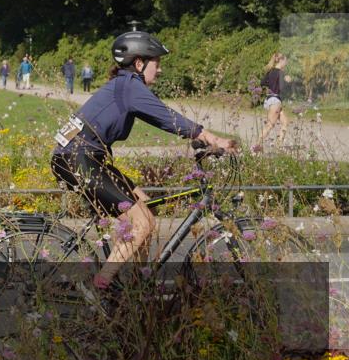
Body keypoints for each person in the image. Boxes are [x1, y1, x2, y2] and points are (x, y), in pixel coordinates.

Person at [50, 31, 237, 291]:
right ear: (139, 63)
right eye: (156, 63)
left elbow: (158, 118)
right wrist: (209, 137)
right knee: (143, 223)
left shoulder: (124, 85)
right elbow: (165, 116)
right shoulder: (129, 86)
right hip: (78, 160)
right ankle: (99, 287)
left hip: (86, 159)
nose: (159, 71)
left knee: (146, 209)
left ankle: (136, 289)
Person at [255, 53, 292, 151]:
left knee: (285, 122)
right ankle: (256, 145)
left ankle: (278, 146)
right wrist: (288, 82)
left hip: (269, 99)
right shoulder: (281, 73)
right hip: (275, 100)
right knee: (270, 125)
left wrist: (271, 85)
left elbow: (262, 83)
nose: (286, 63)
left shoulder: (270, 71)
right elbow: (283, 88)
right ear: (281, 61)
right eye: (286, 61)